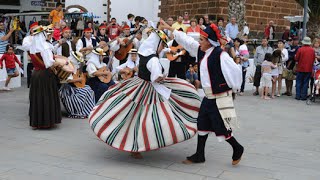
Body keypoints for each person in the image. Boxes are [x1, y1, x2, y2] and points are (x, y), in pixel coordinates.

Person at [88, 27, 201, 159]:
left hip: (138, 85)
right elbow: (156, 77)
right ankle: (137, 146)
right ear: (157, 44)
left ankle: (141, 143)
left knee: (137, 116)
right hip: (148, 90)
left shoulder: (144, 53)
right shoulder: (153, 59)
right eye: (161, 45)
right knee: (146, 117)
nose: (162, 48)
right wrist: (163, 77)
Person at [159, 19, 244, 165]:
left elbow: (236, 71)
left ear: (210, 41)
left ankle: (237, 148)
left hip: (219, 97)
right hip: (208, 97)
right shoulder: (201, 51)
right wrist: (170, 29)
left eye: (202, 39)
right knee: (202, 124)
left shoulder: (220, 55)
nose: (200, 41)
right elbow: (187, 41)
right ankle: (200, 155)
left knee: (220, 126)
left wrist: (232, 88)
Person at [24, 24, 64, 129]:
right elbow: (50, 63)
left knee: (38, 98)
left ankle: (38, 122)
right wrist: (61, 63)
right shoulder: (44, 47)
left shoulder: (32, 47)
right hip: (45, 75)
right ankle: (47, 122)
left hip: (36, 75)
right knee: (46, 97)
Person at [58, 51, 95, 119]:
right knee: (84, 92)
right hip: (68, 88)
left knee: (89, 89)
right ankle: (78, 110)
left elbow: (77, 74)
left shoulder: (75, 66)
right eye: (76, 60)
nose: (77, 62)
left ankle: (88, 109)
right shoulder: (67, 67)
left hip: (75, 86)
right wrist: (78, 80)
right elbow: (67, 80)